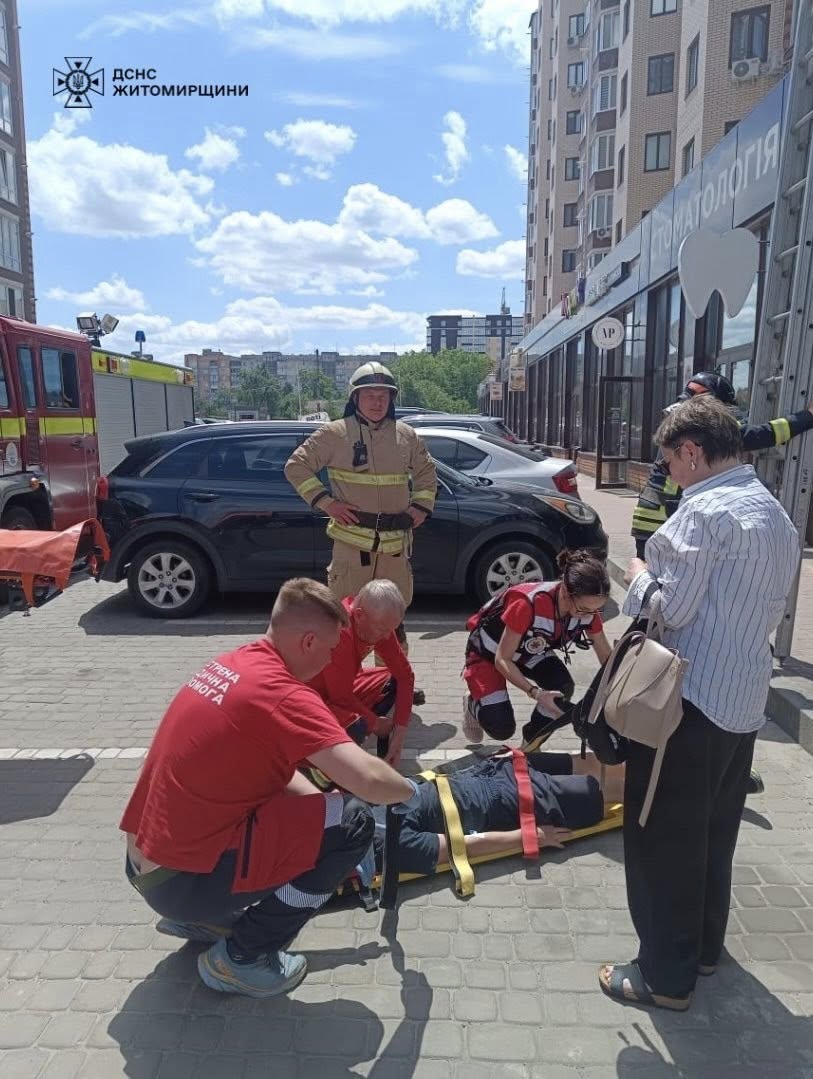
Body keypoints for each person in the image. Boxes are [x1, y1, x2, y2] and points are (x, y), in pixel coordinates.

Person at [119, 578, 423, 999]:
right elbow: (369, 780)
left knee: (331, 814)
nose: (336, 657)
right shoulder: (282, 694)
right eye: (333, 648)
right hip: (181, 880)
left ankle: (207, 921)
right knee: (353, 824)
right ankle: (241, 958)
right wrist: (410, 791)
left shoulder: (236, 663)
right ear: (309, 640)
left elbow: (274, 773)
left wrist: (319, 817)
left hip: (148, 867)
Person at [600, 396, 799, 1012]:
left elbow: (670, 608)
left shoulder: (702, 511)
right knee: (714, 834)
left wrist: (633, 574)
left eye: (669, 462)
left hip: (685, 704)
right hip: (743, 701)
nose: (669, 474)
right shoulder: (775, 512)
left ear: (691, 451)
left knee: (662, 839)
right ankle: (704, 950)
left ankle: (665, 976)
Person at [284, 362, 437, 673]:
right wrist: (326, 502)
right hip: (352, 551)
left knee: (392, 622)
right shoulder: (334, 434)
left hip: (394, 548)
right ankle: (343, 684)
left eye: (384, 395)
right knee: (345, 622)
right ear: (355, 398)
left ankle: (389, 683)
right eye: (370, 395)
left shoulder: (406, 435)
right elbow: (295, 467)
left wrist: (421, 507)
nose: (377, 402)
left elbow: (426, 475)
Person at [631, 370, 813, 557]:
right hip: (664, 517)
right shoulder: (701, 426)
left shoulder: (678, 420)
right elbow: (762, 434)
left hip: (653, 515)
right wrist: (807, 417)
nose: (724, 417)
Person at [371, 748, 624, 877]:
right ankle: (658, 789)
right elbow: (462, 846)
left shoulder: (362, 807)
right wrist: (530, 836)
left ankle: (654, 767)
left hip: (490, 769)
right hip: (505, 799)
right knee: (599, 789)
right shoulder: (390, 844)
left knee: (585, 762)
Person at [462, 549, 612, 748]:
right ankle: (473, 704)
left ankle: (531, 745)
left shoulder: (587, 610)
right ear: (566, 592)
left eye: (597, 609)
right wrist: (536, 693)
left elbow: (607, 658)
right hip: (489, 653)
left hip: (527, 652)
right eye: (584, 609)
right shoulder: (528, 603)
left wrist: (618, 694)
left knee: (561, 687)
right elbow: (502, 659)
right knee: (501, 728)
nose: (590, 615)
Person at [307, 579, 415, 768]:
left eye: (391, 630)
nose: (387, 637)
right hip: (306, 700)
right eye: (383, 629)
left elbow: (405, 676)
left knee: (392, 682)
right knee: (355, 727)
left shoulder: (375, 622)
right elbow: (340, 698)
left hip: (335, 692)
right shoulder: (338, 633)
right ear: (359, 615)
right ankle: (315, 770)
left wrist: (399, 735)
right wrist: (375, 724)